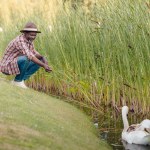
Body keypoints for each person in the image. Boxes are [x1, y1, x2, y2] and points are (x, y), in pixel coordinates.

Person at [0, 22, 52, 89]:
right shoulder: (20, 40)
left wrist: (43, 59)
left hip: (15, 63)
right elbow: (30, 56)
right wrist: (43, 65)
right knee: (27, 58)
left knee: (40, 60)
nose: (33, 37)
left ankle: (19, 81)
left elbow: (35, 53)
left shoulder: (29, 41)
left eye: (34, 35)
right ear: (25, 33)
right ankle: (17, 81)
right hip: (7, 66)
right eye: (31, 35)